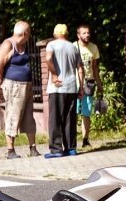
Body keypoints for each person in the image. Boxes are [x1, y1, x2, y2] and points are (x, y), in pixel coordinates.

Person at [0, 20, 40, 159]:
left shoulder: (23, 45)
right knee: (13, 116)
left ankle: (33, 148)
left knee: (29, 117)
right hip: (14, 85)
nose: (29, 36)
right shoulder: (8, 44)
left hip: (27, 85)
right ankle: (10, 150)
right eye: (29, 33)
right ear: (25, 33)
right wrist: (2, 80)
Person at [44, 24, 84, 159]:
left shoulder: (51, 45)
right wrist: (81, 87)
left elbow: (48, 59)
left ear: (55, 34)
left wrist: (54, 75)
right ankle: (71, 148)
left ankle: (56, 149)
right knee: (70, 118)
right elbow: (80, 69)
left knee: (55, 118)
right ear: (67, 34)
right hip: (72, 86)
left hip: (57, 87)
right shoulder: (74, 47)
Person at [73, 24, 102, 148]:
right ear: (78, 35)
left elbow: (95, 67)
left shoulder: (93, 47)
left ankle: (85, 139)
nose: (87, 35)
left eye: (88, 33)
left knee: (86, 113)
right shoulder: (73, 47)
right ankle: (71, 139)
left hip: (89, 83)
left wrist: (99, 83)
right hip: (74, 83)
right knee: (73, 113)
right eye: (84, 33)